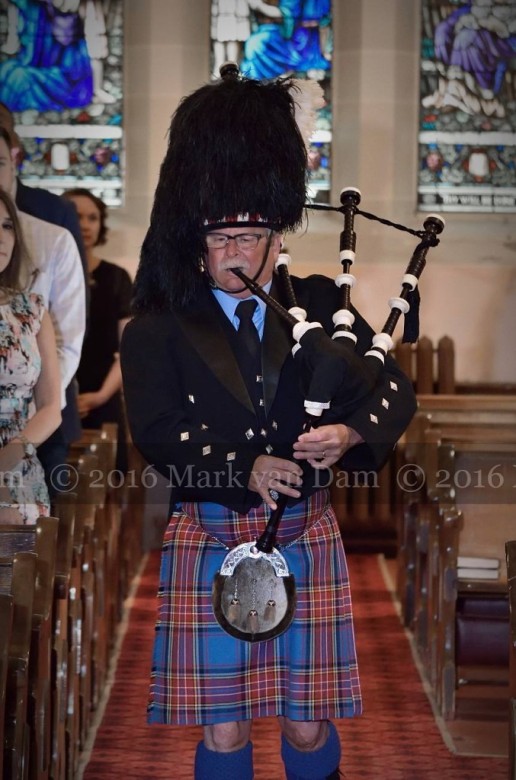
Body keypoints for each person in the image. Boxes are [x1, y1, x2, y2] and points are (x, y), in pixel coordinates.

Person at [120, 67, 417, 780]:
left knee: (306, 728)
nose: (238, 252)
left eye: (253, 234)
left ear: (279, 239)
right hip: (212, 536)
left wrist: (349, 437)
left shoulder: (321, 306)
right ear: (197, 242)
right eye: (222, 236)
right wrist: (242, 468)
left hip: (305, 533)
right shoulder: (157, 328)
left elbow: (392, 388)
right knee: (224, 736)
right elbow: (156, 433)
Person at [0, 103, 89, 495]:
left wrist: (27, 423)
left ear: (15, 157)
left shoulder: (52, 222)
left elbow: (68, 339)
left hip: (37, 425)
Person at [0, 189, 61, 524]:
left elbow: (52, 407)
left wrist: (9, 455)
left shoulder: (31, 309)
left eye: (8, 226)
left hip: (17, 463)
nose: (2, 237)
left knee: (20, 568)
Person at [62, 187, 132, 472]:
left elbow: (127, 347)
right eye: (77, 216)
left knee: (109, 486)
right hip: (54, 399)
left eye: (92, 217)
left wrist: (102, 395)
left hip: (104, 396)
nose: (85, 224)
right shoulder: (46, 273)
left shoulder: (116, 277)